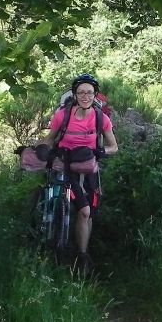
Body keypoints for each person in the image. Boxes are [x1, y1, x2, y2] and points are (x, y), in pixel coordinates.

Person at [41, 73, 119, 272]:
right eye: (81, 92)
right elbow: (50, 138)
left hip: (88, 168)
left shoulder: (102, 118)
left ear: (95, 95)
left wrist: (100, 151)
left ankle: (82, 256)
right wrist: (43, 150)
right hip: (65, 166)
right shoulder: (63, 115)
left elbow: (114, 147)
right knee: (84, 211)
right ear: (74, 94)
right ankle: (75, 253)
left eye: (89, 93)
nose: (85, 96)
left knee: (88, 214)